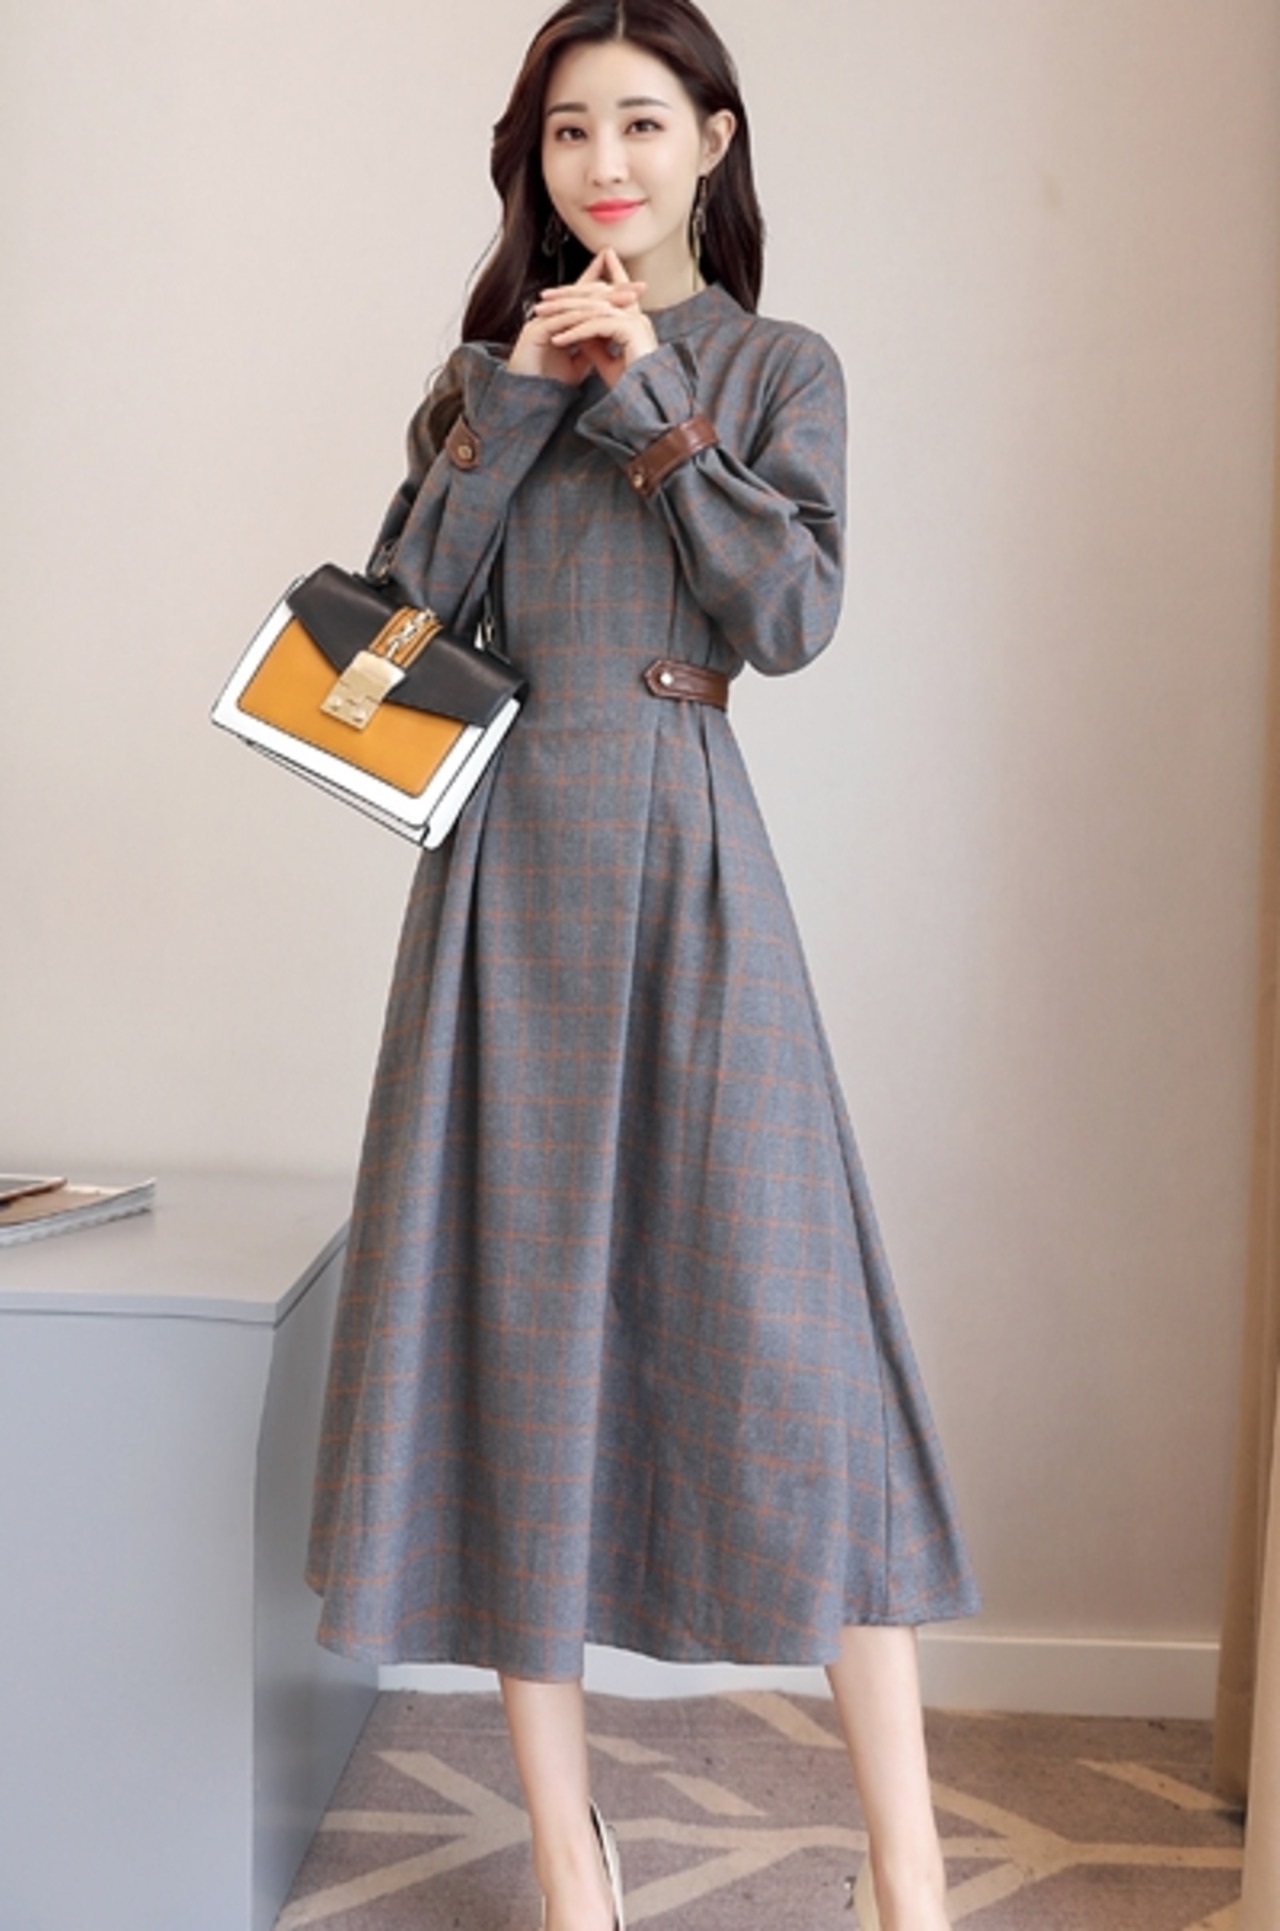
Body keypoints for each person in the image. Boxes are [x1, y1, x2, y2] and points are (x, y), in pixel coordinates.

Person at [304, 3, 980, 1928]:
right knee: (510, 1339)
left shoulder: (776, 366)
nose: (604, 163)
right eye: (567, 131)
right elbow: (384, 651)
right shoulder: (476, 383)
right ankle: (567, 1857)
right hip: (501, 886)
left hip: (691, 864)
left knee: (797, 1346)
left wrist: (650, 405)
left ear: (712, 142)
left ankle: (907, 1869)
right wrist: (516, 404)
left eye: (641, 124)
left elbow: (788, 614)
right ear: (531, 160)